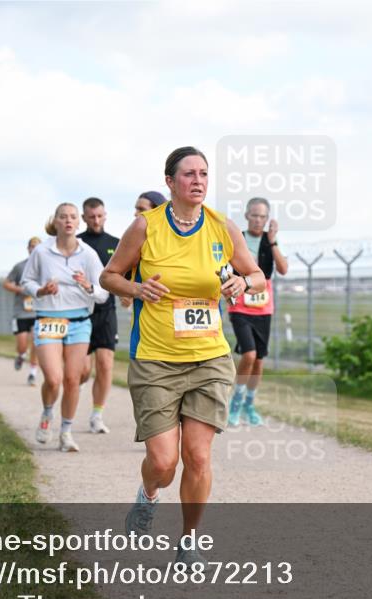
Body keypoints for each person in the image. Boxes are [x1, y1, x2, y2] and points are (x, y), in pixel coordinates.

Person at [100, 147, 265, 565]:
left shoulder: (222, 228)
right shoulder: (145, 227)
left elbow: (256, 274)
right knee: (163, 461)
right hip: (155, 359)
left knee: (199, 455)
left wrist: (243, 285)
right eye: (188, 174)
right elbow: (109, 276)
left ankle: (190, 539)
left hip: (209, 358)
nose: (198, 180)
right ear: (170, 182)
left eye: (204, 174)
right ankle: (148, 494)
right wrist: (137, 289)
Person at [21, 203, 110, 453]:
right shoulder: (41, 251)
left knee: (73, 379)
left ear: (78, 223)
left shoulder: (88, 255)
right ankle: (48, 413)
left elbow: (103, 294)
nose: (68, 221)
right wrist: (40, 290)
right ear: (56, 222)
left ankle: (66, 432)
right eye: (63, 217)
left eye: (72, 217)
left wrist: (87, 286)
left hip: (80, 322)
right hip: (49, 320)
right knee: (54, 378)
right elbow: (25, 281)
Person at [226, 197, 288, 426]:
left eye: (262, 216)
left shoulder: (269, 241)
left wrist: (272, 242)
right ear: (246, 216)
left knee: (259, 361)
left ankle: (248, 405)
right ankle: (235, 403)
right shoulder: (238, 238)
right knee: (249, 355)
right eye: (254, 215)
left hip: (264, 308)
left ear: (267, 218)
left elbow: (283, 269)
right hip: (240, 306)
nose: (258, 220)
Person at [77, 197, 121, 434]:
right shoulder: (77, 244)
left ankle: (97, 415)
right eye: (91, 216)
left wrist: (127, 293)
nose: (96, 220)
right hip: (82, 312)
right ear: (84, 218)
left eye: (100, 216)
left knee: (105, 365)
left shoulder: (116, 243)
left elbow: (124, 274)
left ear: (105, 215)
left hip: (107, 311)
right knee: (83, 370)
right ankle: (78, 384)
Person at [3, 236, 42, 386]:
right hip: (21, 311)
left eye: (37, 246)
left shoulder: (45, 266)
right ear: (28, 249)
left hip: (38, 311)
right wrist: (19, 289)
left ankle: (32, 372)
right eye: (32, 246)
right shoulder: (20, 267)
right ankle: (20, 355)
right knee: (22, 344)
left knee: (37, 342)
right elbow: (6, 283)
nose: (34, 249)